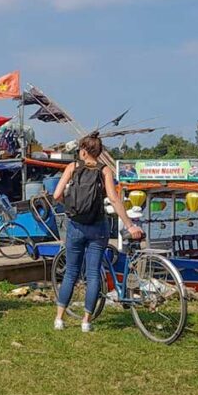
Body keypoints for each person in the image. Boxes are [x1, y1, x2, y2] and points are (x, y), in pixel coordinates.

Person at [52, 132, 143, 333]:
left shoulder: (72, 167)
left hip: (75, 226)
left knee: (71, 273)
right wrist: (129, 225)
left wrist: (71, 206)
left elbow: (56, 195)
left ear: (83, 151)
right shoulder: (105, 171)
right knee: (93, 274)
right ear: (99, 153)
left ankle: (59, 319)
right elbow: (114, 199)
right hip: (98, 227)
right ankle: (86, 321)